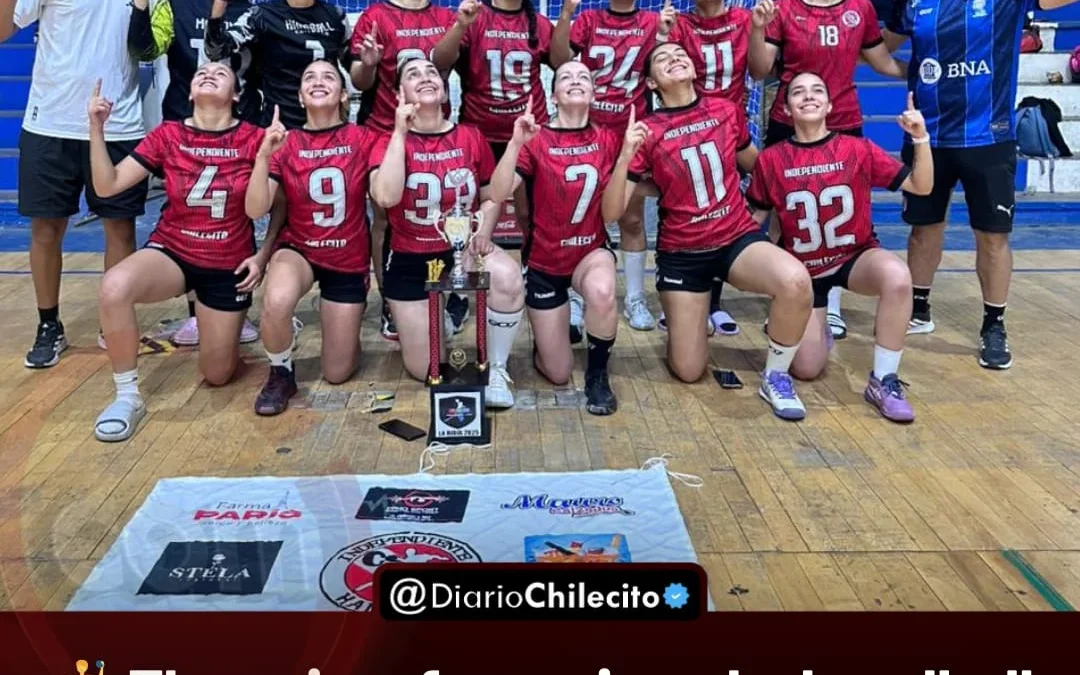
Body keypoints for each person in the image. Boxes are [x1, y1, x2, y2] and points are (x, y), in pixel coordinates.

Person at [604, 42, 813, 420]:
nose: (675, 58)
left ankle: (776, 376)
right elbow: (611, 212)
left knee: (796, 281)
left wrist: (763, 210)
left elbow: (761, 169)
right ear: (652, 83)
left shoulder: (725, 110)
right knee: (688, 370)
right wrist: (624, 158)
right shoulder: (646, 131)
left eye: (680, 54)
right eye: (663, 59)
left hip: (735, 238)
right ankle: (690, 319)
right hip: (683, 253)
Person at [883, 0, 1080, 370]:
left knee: (992, 236)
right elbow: (880, 48)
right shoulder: (912, 2)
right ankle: (918, 309)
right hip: (929, 137)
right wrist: (917, 74)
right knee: (923, 231)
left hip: (989, 137)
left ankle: (994, 324)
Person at [88, 63, 266, 442]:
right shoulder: (168, 134)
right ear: (188, 93)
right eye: (201, 72)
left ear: (236, 95)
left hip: (227, 264)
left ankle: (226, 328)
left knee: (217, 375)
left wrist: (263, 255)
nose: (208, 73)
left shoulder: (254, 138)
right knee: (114, 286)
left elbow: (268, 208)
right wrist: (96, 128)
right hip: (174, 251)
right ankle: (127, 396)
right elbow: (108, 186)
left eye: (221, 72)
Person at [746, 72, 933, 422]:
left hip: (854, 257)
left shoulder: (857, 149)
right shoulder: (770, 160)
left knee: (896, 275)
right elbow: (755, 216)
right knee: (806, 368)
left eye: (818, 90)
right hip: (805, 274)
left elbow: (921, 186)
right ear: (786, 109)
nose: (808, 96)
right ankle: (813, 334)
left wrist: (920, 138)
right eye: (798, 92)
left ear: (830, 105)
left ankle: (883, 379)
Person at [369, 58, 526, 408]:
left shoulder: (470, 136)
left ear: (443, 87)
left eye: (430, 72)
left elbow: (491, 196)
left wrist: (484, 229)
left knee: (508, 277)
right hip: (410, 258)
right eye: (413, 75)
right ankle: (444, 317)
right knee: (428, 368)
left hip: (462, 250)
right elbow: (386, 196)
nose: (424, 77)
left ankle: (497, 368)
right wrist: (399, 132)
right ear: (400, 94)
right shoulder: (385, 141)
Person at [1, 0, 148, 368]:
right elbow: (4, 28)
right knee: (46, 227)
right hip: (50, 121)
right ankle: (49, 325)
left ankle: (110, 322)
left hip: (118, 120)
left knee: (120, 226)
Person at [749, 0, 906, 340]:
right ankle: (786, 299)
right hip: (788, 121)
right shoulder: (783, 7)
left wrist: (925, 71)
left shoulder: (859, 7)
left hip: (843, 119)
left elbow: (882, 62)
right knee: (784, 214)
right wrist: (758, 28)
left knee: (842, 211)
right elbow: (760, 70)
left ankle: (830, 302)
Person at [488, 61, 621, 415]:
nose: (575, 81)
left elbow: (614, 213)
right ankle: (550, 339)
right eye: (566, 77)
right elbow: (498, 193)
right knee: (558, 373)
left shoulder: (608, 138)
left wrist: (628, 160)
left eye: (583, 78)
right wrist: (515, 143)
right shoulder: (537, 138)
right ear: (553, 94)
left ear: (593, 93)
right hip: (545, 261)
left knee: (603, 291)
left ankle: (597, 374)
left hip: (590, 251)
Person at [246, 60, 378, 416]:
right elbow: (256, 209)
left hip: (348, 257)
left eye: (328, 77)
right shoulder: (285, 143)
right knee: (276, 300)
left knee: (337, 373)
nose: (318, 82)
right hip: (299, 248)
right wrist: (262, 157)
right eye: (309, 77)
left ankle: (346, 327)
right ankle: (281, 371)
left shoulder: (362, 138)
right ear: (301, 97)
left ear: (344, 94)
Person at [128, 0, 262, 347]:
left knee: (234, 219)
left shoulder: (252, 10)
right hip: (184, 126)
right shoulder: (173, 7)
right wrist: (140, 8)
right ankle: (195, 313)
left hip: (239, 126)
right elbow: (144, 49)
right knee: (188, 215)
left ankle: (234, 310)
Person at [548, 0, 678, 337]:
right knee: (581, 219)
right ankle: (577, 296)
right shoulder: (590, 19)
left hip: (629, 133)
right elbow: (560, 60)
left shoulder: (653, 21)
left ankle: (635, 297)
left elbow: (665, 67)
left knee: (632, 218)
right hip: (586, 132)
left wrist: (664, 36)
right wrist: (565, 15)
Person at [348, 0, 459, 342]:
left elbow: (456, 67)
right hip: (385, 130)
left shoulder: (446, 17)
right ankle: (388, 300)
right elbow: (360, 80)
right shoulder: (375, 16)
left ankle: (448, 289)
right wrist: (368, 64)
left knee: (446, 212)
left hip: (436, 130)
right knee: (385, 218)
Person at [662, 0, 754, 336]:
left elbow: (758, 71)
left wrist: (758, 29)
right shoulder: (682, 25)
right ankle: (682, 297)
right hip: (685, 129)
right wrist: (662, 34)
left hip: (727, 128)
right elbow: (661, 68)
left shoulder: (744, 19)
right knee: (678, 209)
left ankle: (714, 303)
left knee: (721, 214)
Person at [432, 0, 553, 247]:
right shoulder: (475, 17)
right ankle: (466, 274)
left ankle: (533, 274)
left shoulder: (538, 23)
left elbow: (561, 62)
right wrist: (460, 26)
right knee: (472, 213)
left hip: (528, 133)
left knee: (529, 214)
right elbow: (439, 62)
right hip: (481, 132)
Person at [203, 0, 350, 129]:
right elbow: (216, 51)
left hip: (328, 126)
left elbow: (356, 70)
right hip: (280, 126)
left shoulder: (336, 15)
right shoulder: (261, 16)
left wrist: (367, 63)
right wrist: (220, 5)